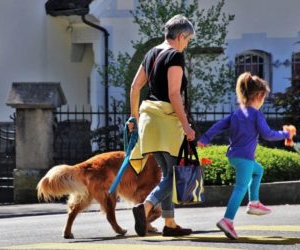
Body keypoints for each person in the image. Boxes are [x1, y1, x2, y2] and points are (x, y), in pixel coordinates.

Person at [197, 72, 296, 240]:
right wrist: (285, 134)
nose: (263, 101)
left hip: (233, 156)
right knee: (240, 188)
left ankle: (254, 202)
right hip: (245, 159)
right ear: (258, 95)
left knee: (258, 170)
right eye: (263, 98)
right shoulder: (256, 114)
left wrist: (205, 138)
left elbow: (219, 124)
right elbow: (268, 134)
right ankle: (227, 220)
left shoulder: (237, 113)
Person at [127, 14, 195, 237]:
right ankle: (145, 207)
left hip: (148, 120)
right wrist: (186, 126)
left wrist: (134, 118)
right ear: (181, 36)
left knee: (167, 173)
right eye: (188, 40)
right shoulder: (175, 55)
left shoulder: (151, 53)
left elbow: (135, 87)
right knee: (175, 175)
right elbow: (174, 94)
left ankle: (170, 224)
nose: (187, 45)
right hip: (166, 121)